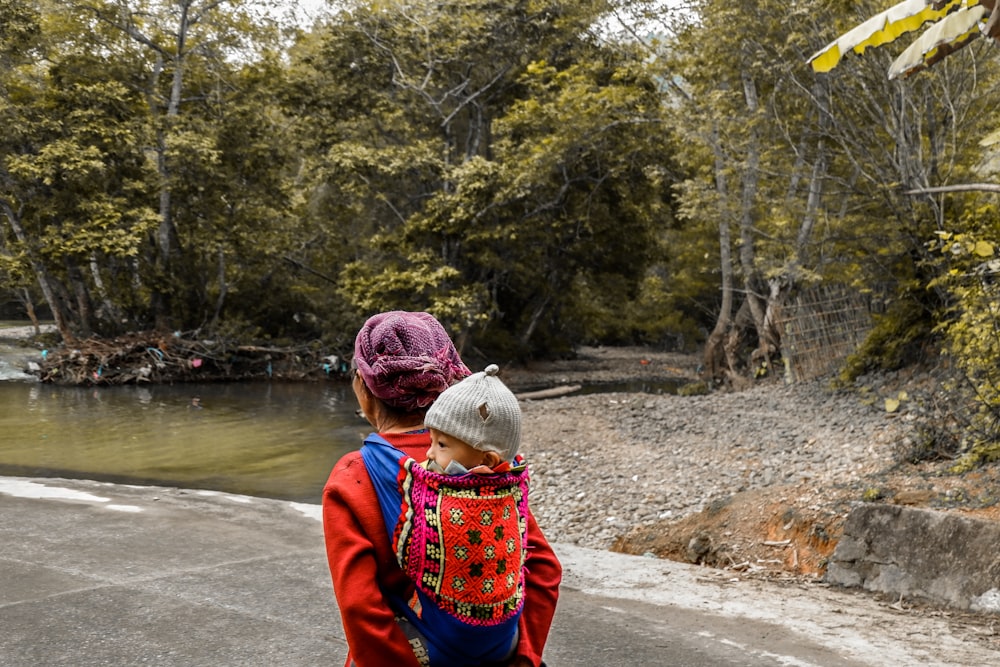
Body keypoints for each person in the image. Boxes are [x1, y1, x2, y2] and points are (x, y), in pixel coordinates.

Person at [322, 311, 561, 667]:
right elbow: (542, 567)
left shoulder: (353, 475)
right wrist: (522, 657)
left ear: (364, 388)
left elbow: (361, 607)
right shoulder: (483, 464)